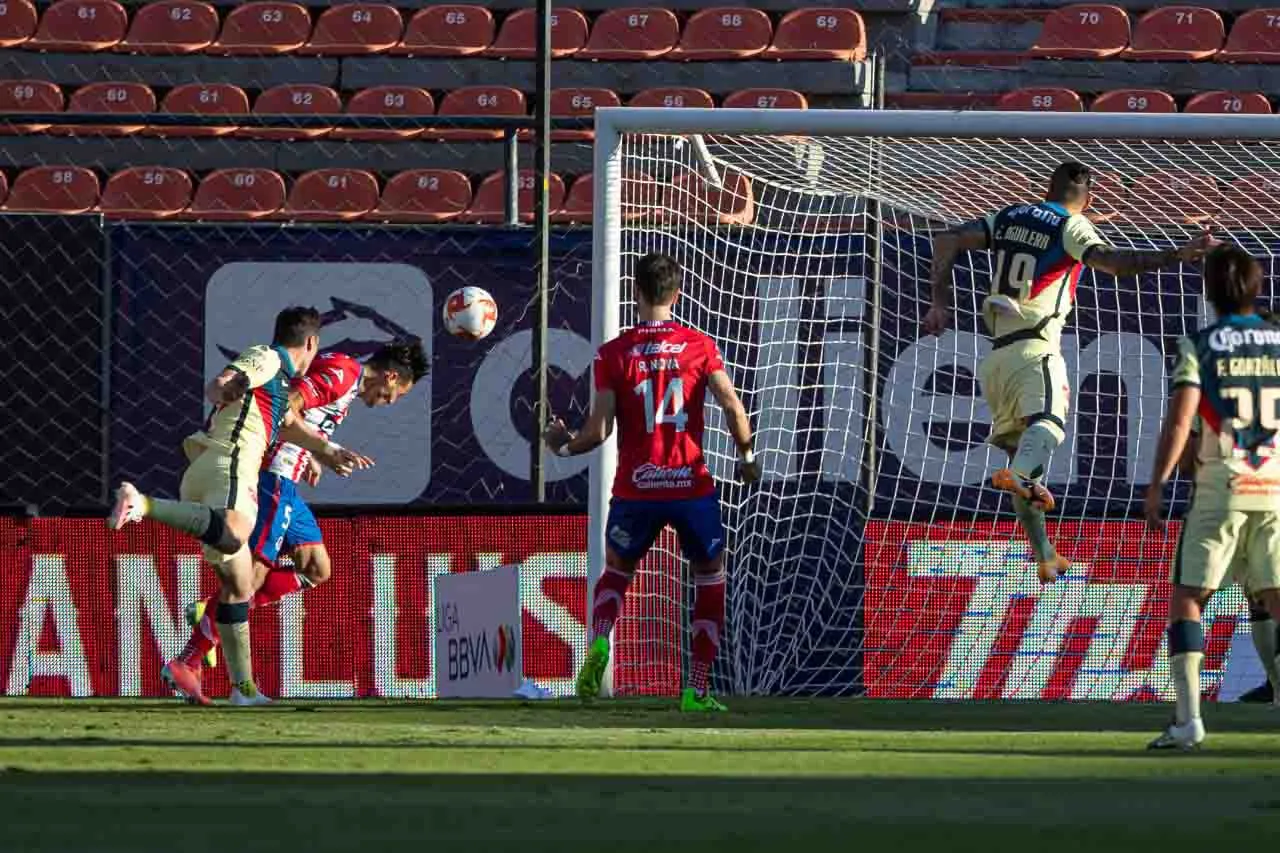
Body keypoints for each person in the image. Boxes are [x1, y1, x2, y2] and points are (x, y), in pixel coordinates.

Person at [926, 161, 1216, 583]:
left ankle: (1044, 553)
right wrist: (1177, 254)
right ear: (1089, 200)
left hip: (995, 359)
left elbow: (948, 238)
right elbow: (1117, 263)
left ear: (1046, 188)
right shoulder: (1072, 226)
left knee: (1024, 459)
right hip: (1035, 351)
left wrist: (939, 301)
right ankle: (1023, 477)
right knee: (1049, 427)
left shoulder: (1010, 215)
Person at [107, 307, 371, 706]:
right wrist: (223, 387)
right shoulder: (270, 358)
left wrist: (327, 450)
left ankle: (242, 689)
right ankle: (141, 502)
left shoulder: (280, 386)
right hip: (230, 464)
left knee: (240, 584)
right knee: (235, 533)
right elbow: (230, 378)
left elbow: (290, 426)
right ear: (312, 343)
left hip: (214, 468)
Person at [543, 252, 759, 712]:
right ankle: (696, 690)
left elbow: (597, 433)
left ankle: (599, 642)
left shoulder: (613, 354)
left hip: (636, 489)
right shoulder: (699, 346)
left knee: (616, 573)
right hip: (691, 487)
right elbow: (733, 407)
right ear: (676, 294)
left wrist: (561, 446)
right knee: (710, 578)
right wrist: (747, 456)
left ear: (635, 293)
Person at [161, 340, 428, 705]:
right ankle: (190, 659)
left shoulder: (343, 374)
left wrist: (313, 456)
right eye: (395, 393)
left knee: (317, 568)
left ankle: (211, 613)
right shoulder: (344, 373)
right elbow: (288, 406)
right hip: (273, 477)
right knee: (248, 579)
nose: (390, 401)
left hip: (288, 480)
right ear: (391, 376)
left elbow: (302, 415)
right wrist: (318, 450)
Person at [1144, 243, 1280, 749]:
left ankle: (1188, 721)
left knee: (1188, 598)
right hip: (1273, 486)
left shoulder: (1199, 345)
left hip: (1220, 485)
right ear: (1255, 286)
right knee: (1274, 595)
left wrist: (1157, 483)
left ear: (1210, 289)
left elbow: (1181, 420)